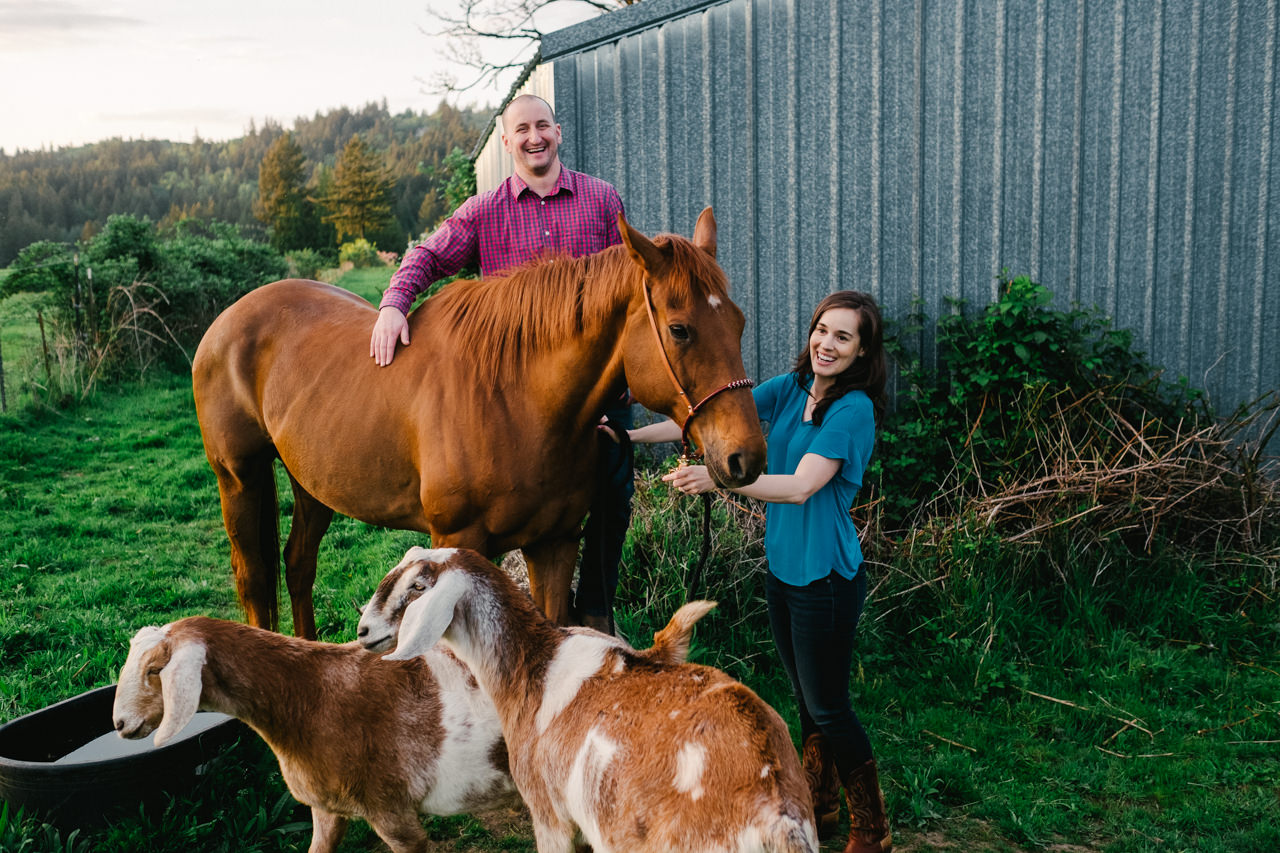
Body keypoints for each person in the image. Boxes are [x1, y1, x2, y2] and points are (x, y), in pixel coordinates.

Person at [629, 290, 892, 853]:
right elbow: (701, 419)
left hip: (826, 578)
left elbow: (801, 487)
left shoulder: (853, 410)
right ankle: (820, 798)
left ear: (862, 351)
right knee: (804, 695)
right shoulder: (792, 388)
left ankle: (873, 827)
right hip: (784, 572)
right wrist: (627, 439)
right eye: (823, 329)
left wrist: (718, 479)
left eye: (843, 337)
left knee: (830, 706)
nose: (827, 343)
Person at [370, 93, 633, 632]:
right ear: (508, 141)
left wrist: (607, 402)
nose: (534, 137)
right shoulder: (486, 210)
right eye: (522, 130)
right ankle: (484, 628)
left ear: (558, 132)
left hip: (584, 393)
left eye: (543, 126)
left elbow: (624, 297)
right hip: (506, 401)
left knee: (615, 483)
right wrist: (395, 304)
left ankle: (595, 610)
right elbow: (427, 254)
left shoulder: (601, 200)